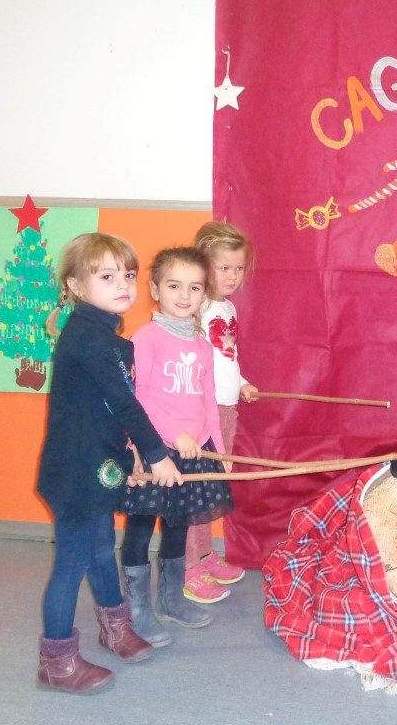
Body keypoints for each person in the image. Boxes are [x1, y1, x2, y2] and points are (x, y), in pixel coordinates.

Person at [36, 233, 181, 694]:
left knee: (101, 549)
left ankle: (114, 628)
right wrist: (157, 454)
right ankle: (57, 661)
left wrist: (131, 452)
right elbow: (123, 402)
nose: (123, 284)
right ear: (76, 286)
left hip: (97, 464)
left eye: (128, 275)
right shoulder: (87, 336)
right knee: (73, 561)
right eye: (106, 276)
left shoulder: (107, 337)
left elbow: (105, 411)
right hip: (75, 472)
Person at [120, 247, 234, 645]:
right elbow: (139, 400)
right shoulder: (146, 339)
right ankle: (137, 608)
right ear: (155, 290)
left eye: (194, 288)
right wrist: (172, 436)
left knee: (177, 526)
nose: (184, 296)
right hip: (155, 451)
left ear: (204, 294)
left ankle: (171, 599)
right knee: (140, 528)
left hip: (192, 453)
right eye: (174, 286)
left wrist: (218, 448)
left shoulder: (202, 345)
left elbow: (208, 403)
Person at [182, 222, 259, 600]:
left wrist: (241, 382)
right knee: (194, 487)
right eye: (223, 267)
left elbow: (226, 356)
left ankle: (203, 553)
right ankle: (187, 565)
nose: (232, 276)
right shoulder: (195, 306)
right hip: (202, 412)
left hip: (227, 409)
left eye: (238, 268)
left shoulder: (226, 307)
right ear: (203, 265)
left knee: (212, 485)